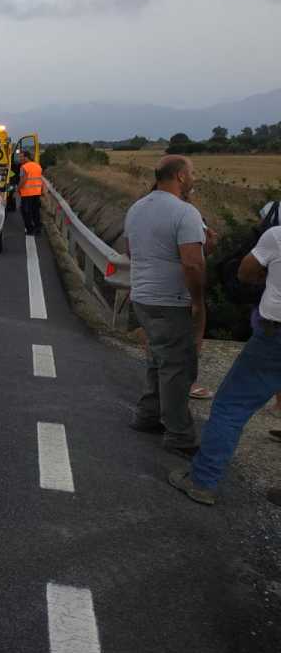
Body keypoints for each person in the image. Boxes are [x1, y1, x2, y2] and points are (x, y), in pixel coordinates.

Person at [170, 223, 281, 504]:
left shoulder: (277, 236)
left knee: (231, 406)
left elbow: (244, 272)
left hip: (274, 337)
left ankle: (202, 481)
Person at [124, 155, 205, 457]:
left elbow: (131, 251)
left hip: (142, 296)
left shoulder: (137, 208)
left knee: (158, 358)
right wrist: (197, 301)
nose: (194, 177)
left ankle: (147, 415)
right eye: (192, 173)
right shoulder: (186, 213)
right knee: (177, 366)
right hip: (171, 299)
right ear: (181, 176)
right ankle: (179, 434)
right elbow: (193, 264)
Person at [18, 151, 44, 235]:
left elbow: (23, 180)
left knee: (26, 212)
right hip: (37, 193)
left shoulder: (24, 167)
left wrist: (17, 189)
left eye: (21, 157)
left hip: (27, 193)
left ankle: (30, 230)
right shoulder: (38, 166)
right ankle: (38, 229)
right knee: (35, 211)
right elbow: (40, 179)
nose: (20, 159)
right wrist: (42, 190)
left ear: (26, 157)